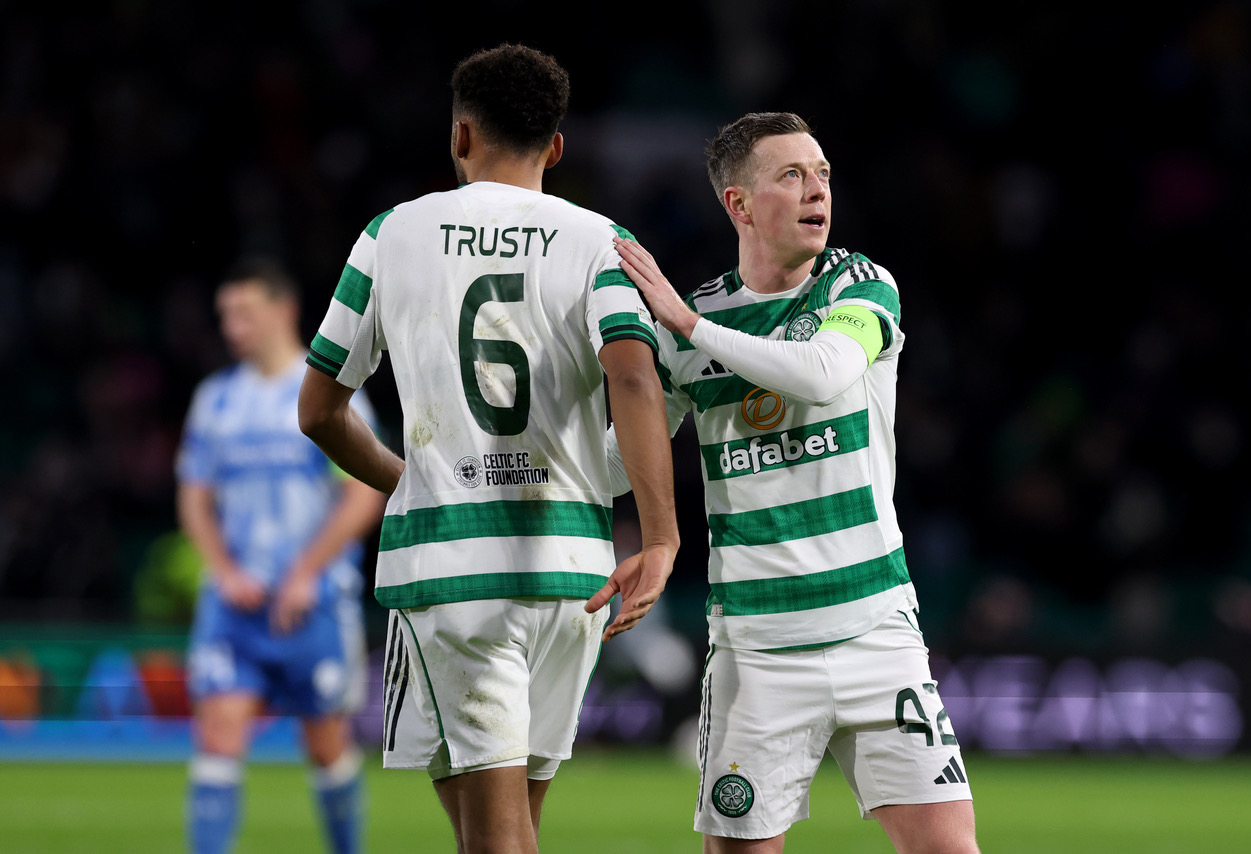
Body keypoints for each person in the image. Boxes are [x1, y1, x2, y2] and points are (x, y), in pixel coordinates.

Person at [295, 44, 679, 854]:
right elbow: (635, 378)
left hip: (450, 571)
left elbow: (319, 410)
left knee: (497, 840)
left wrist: (409, 478)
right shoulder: (600, 240)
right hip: (571, 575)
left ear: (460, 136)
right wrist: (661, 534)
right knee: (503, 832)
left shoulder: (391, 234)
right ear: (559, 146)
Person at [610, 112, 981, 854]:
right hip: (757, 648)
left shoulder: (859, 283)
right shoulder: (701, 319)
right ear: (739, 206)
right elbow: (623, 460)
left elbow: (824, 374)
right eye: (792, 176)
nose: (818, 191)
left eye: (823, 175)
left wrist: (684, 326)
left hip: (877, 630)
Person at [176, 258, 387, 854]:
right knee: (217, 735)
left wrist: (305, 571)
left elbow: (363, 491)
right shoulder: (215, 401)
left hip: (313, 601)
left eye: (245, 311)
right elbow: (194, 499)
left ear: (283, 310)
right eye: (225, 314)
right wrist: (222, 571)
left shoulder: (323, 392)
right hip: (235, 603)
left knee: (324, 743)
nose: (232, 326)